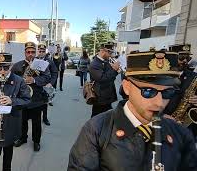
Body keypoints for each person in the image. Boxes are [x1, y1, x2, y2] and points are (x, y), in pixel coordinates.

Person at [68, 49, 197, 171]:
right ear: (127, 87)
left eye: (168, 92)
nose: (159, 103)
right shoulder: (95, 130)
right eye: (148, 91)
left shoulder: (181, 134)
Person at [11, 42, 51, 151]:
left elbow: (47, 78)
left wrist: (34, 80)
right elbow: (11, 80)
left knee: (36, 122)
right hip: (22, 99)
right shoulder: (17, 65)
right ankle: (22, 138)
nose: (30, 54)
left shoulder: (41, 64)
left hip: (36, 99)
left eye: (33, 52)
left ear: (35, 52)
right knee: (22, 121)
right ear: (25, 53)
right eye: (28, 52)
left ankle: (36, 141)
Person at [164, 44, 197, 138]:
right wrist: (161, 115)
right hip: (164, 122)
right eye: (181, 57)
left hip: (185, 126)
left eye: (188, 57)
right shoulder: (161, 75)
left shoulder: (194, 77)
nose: (185, 61)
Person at [89, 43, 120, 117]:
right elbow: (102, 79)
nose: (110, 55)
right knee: (97, 117)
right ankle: (92, 128)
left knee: (106, 117)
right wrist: (114, 70)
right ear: (103, 51)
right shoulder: (95, 64)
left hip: (106, 95)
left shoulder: (105, 61)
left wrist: (114, 70)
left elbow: (110, 77)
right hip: (100, 97)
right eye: (109, 52)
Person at [37, 43, 58, 125]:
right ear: (38, 51)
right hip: (36, 85)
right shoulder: (34, 60)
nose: (41, 53)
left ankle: (45, 118)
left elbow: (55, 72)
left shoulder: (49, 61)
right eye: (40, 51)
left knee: (45, 103)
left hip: (46, 85)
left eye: (43, 51)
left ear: (45, 52)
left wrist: (51, 83)